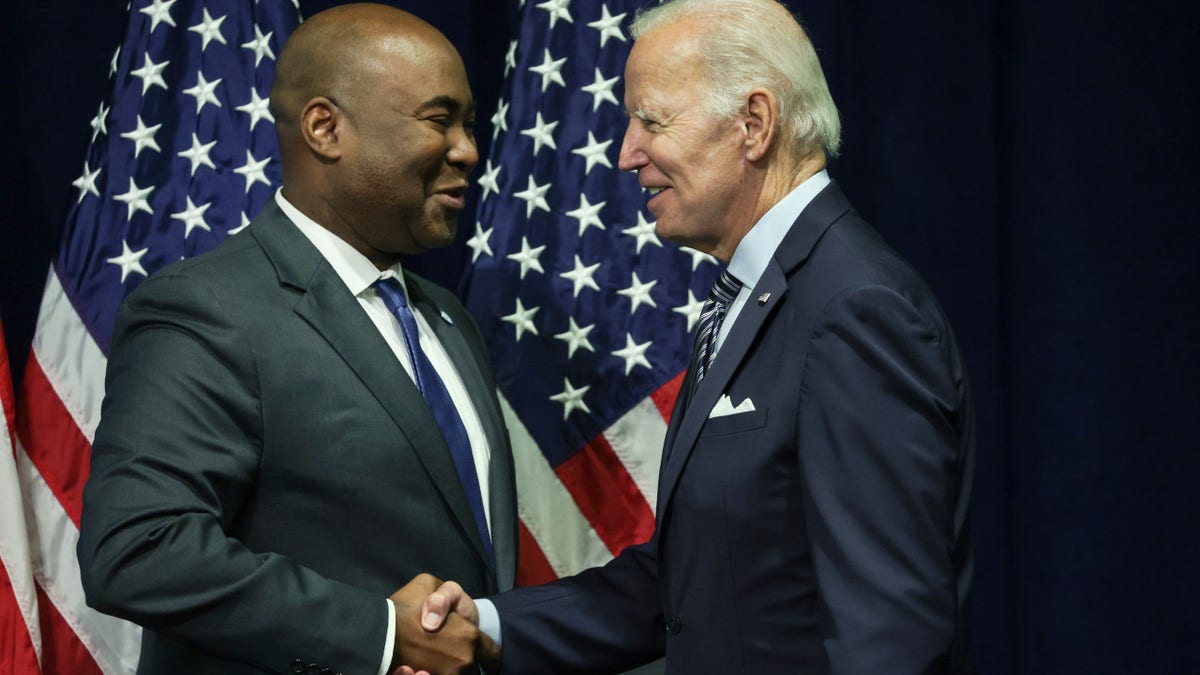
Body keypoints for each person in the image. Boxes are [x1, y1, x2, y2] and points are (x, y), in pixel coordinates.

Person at [411, 0, 976, 673]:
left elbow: (890, 635)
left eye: (652, 120)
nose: (626, 153)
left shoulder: (855, 309)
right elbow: (691, 582)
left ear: (754, 124)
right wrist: (489, 624)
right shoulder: (758, 293)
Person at [77, 5, 512, 674]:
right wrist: (382, 633)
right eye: (438, 120)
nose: (468, 151)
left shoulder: (448, 320)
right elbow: (138, 547)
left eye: (469, 125)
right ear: (325, 128)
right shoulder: (206, 308)